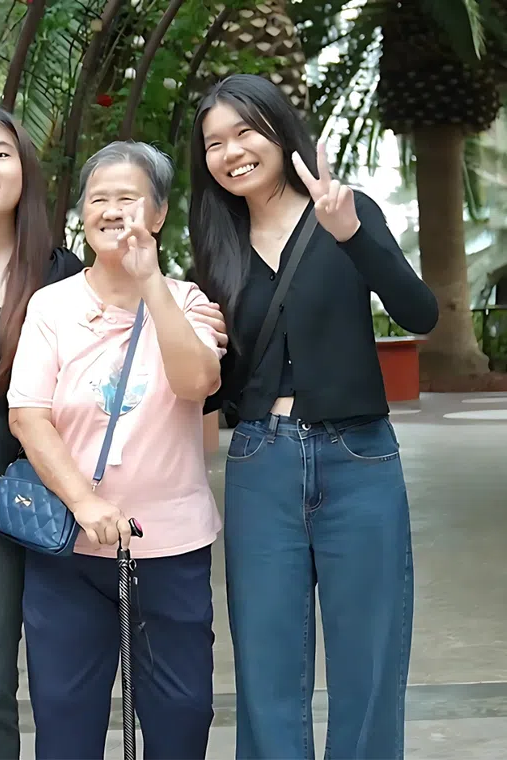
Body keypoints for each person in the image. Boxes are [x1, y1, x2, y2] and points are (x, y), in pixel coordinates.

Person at [188, 74, 439, 759]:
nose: (232, 151)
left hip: (358, 457)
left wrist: (353, 234)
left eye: (245, 132)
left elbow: (420, 314)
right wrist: (202, 344)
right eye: (214, 142)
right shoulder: (217, 243)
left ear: (279, 129)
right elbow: (217, 391)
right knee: (268, 667)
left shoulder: (344, 211)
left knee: (370, 659)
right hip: (261, 460)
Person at [6, 141, 227, 760]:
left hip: (171, 549)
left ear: (157, 215)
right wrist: (83, 502)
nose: (110, 211)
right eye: (97, 199)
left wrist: (151, 281)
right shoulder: (52, 305)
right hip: (67, 553)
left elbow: (198, 385)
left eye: (127, 199)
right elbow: (28, 416)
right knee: (66, 724)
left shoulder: (186, 304)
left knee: (181, 717)